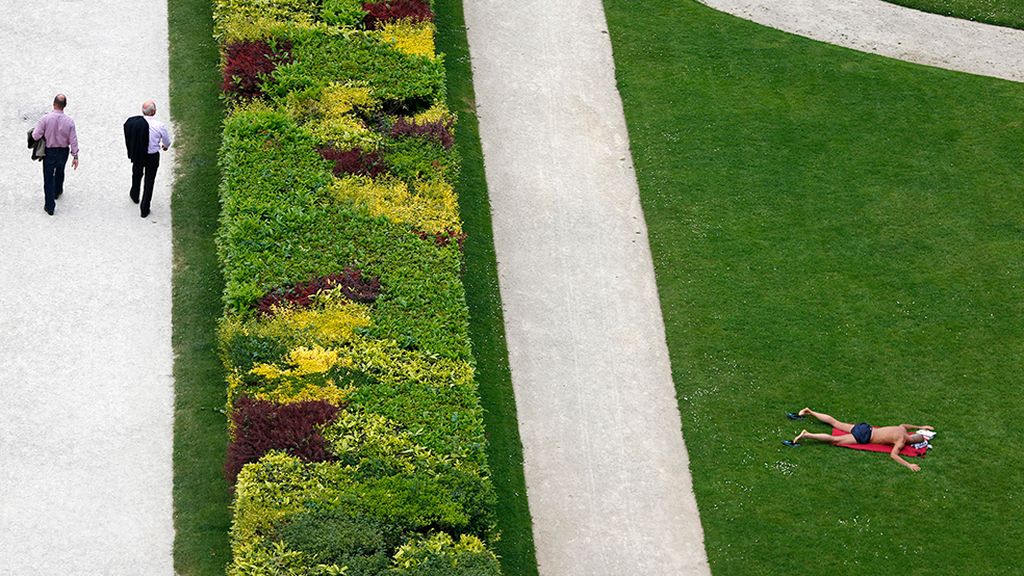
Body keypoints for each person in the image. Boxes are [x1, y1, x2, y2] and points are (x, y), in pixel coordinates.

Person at [790, 407, 934, 472]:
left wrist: (921, 426)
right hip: (864, 437)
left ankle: (809, 411)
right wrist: (909, 465)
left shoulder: (902, 429)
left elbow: (906, 425)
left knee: (836, 423)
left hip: (865, 428)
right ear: (911, 441)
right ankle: (807, 434)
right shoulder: (901, 442)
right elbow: (893, 455)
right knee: (835, 440)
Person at [32, 94, 79, 215]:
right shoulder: (70, 122)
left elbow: (35, 135)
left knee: (48, 177)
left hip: (49, 151)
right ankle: (57, 191)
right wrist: (75, 156)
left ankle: (50, 206)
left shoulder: (45, 119)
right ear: (65, 106)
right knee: (60, 170)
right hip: (63, 151)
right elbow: (73, 140)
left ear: (54, 104)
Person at [124, 99, 171, 218]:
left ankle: (135, 194)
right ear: (154, 112)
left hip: (138, 154)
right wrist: (164, 147)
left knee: (136, 174)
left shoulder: (135, 124)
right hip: (152, 156)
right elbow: (167, 141)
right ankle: (145, 208)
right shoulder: (160, 126)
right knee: (149, 181)